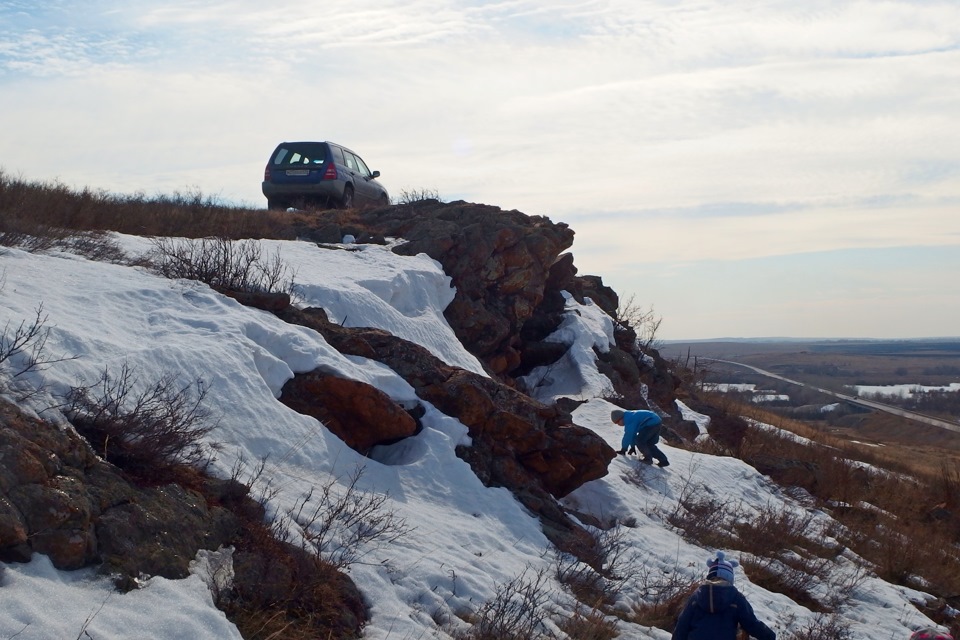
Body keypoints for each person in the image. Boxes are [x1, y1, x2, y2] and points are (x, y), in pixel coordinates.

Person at [672, 552, 776, 640]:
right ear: (729, 578)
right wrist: (770, 636)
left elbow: (682, 626)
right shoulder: (736, 598)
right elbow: (751, 624)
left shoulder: (696, 596)